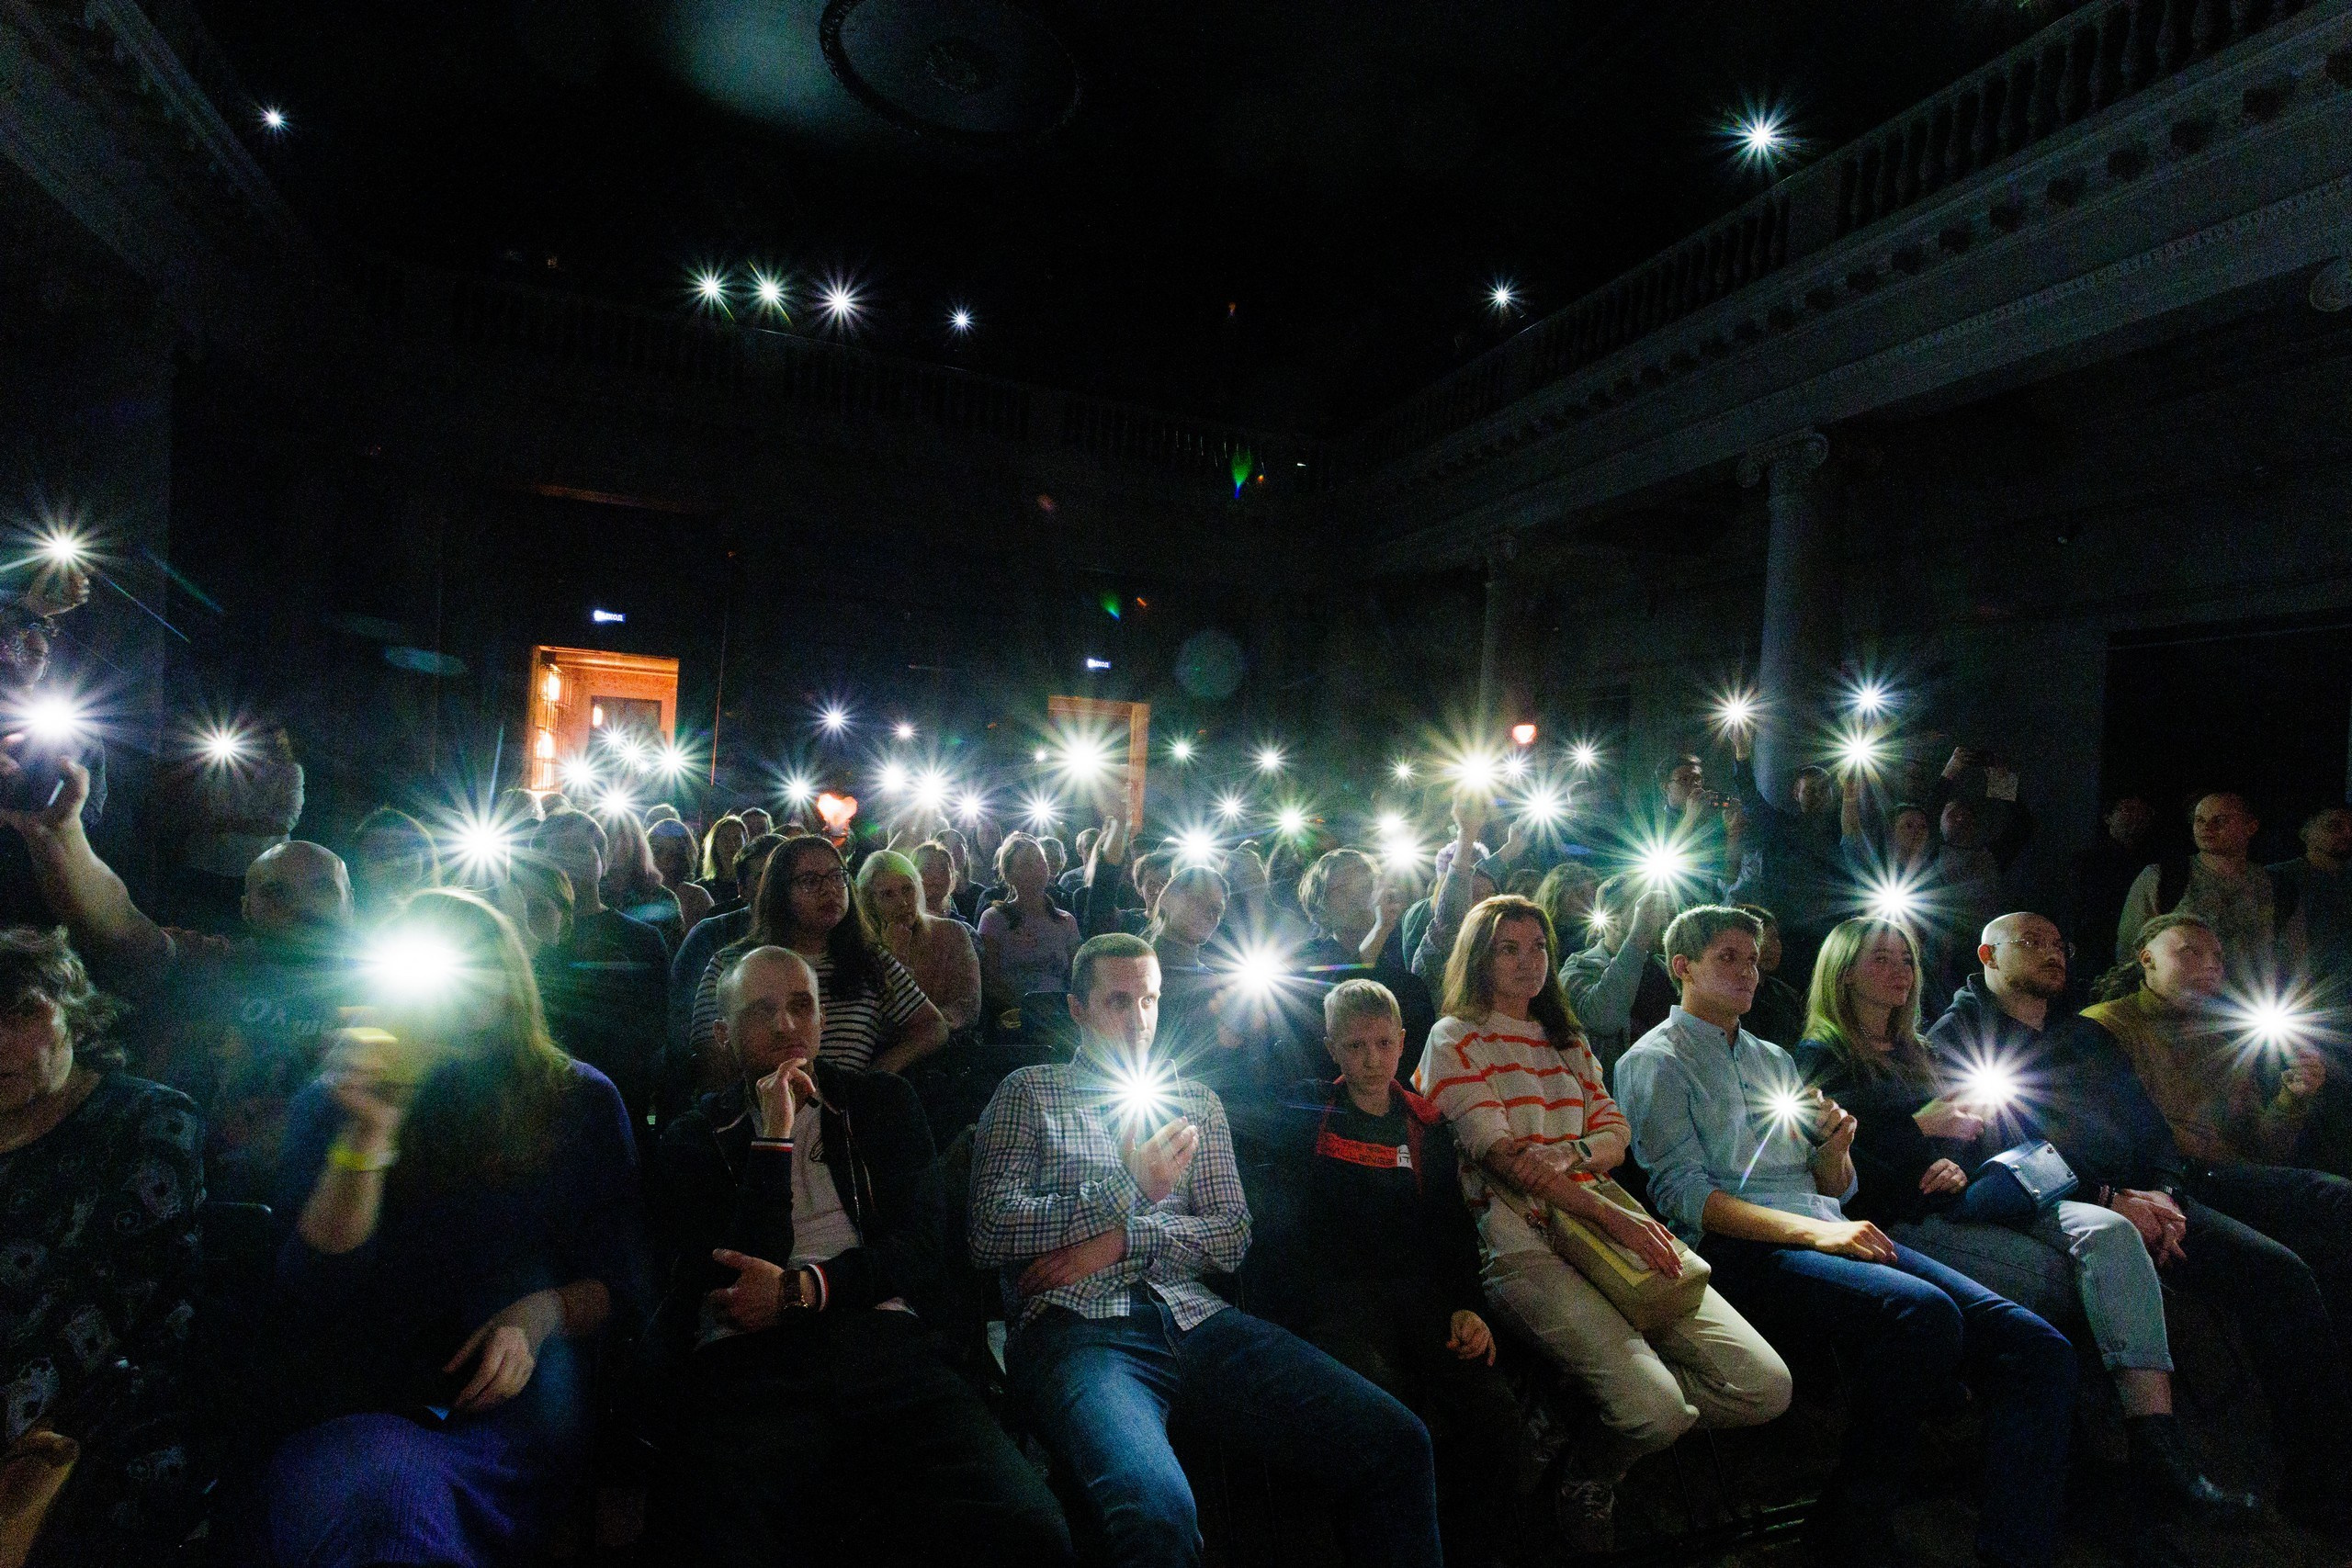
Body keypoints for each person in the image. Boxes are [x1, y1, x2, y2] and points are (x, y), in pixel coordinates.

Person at [1615, 905, 2075, 1568]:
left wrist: (1834, 1149)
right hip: (1744, 1248)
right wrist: (1818, 1231)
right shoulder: (1653, 1060)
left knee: (2036, 1345)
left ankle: (2015, 1546)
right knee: (1922, 1313)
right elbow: (1685, 1196)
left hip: (1821, 1224)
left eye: (1752, 957)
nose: (1747, 971)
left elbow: (1833, 1185)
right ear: (1682, 967)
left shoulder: (1770, 1056)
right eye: (1727, 958)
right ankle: (1854, 1518)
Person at [967, 932, 1444, 1568]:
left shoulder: (1193, 1100)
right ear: (1077, 1009)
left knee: (1397, 1440)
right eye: (1118, 1001)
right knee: (1156, 1512)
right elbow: (990, 1229)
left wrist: (1122, 1237)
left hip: (1196, 1319)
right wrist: (1128, 1187)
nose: (1139, 1019)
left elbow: (1231, 1233)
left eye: (1150, 1000)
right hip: (1079, 1329)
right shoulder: (1029, 1092)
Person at [1793, 917, 2252, 1528]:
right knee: (2078, 1287)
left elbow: (1971, 1137)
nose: (1900, 971)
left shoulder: (1920, 1050)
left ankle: (2155, 1445)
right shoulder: (1825, 1053)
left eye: (1907, 959)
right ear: (1843, 971)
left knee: (2111, 1239)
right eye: (1881, 959)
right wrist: (1922, 1136)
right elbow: (1836, 1162)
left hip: (1981, 1198)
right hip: (1896, 1220)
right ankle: (2073, 1471)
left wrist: (1950, 1161)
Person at [1928, 908, 2352, 1534]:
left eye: (2058, 941)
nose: (2052, 951)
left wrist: (2166, 1193)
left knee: (2279, 1272)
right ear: (1989, 956)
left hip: (2147, 1198)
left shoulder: (2084, 1038)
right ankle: (2139, 1473)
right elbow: (2009, 1147)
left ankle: (2318, 1479)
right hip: (2053, 1208)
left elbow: (2149, 1131)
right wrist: (2108, 1191)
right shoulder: (1958, 1038)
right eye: (2032, 942)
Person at [258, 889, 648, 1568]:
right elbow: (313, 1280)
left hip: (503, 1404)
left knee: (396, 1505)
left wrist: (538, 1314)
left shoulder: (576, 1097)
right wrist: (369, 1131)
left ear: (511, 978)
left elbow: (621, 1282)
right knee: (375, 1492)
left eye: (478, 967)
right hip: (354, 1395)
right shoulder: (342, 1094)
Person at [649, 947, 1072, 1564]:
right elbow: (731, 1282)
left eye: (801, 1006)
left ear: (821, 1019)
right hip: (750, 1359)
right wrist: (772, 1136)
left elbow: (920, 1251)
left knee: (1029, 1525)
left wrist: (804, 1288)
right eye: (762, 1011)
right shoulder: (693, 1137)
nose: (788, 1026)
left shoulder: (880, 1104)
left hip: (880, 1336)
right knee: (722, 1533)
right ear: (723, 1032)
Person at [1417, 895, 1789, 1552]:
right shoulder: (1455, 1037)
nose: (1530, 961)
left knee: (1765, 1385)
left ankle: (1585, 1423)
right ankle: (1595, 1468)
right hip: (1521, 1239)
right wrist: (1594, 1196)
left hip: (1608, 1227)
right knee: (1656, 1408)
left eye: (1539, 947)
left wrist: (1567, 1156)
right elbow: (1502, 1158)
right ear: (1478, 957)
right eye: (1510, 947)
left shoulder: (1564, 1036)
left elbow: (1613, 1131)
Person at [0, 758, 358, 1202]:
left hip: (330, 1206)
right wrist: (58, 833)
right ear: (246, 908)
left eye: (322, 888)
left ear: (351, 902)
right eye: (276, 891)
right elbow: (118, 924)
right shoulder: (206, 966)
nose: (300, 906)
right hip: (185, 1202)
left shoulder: (389, 990)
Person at [1273, 978, 1540, 1564]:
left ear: (1402, 1044)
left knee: (1493, 1415)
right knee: (1379, 1416)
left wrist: (1469, 1306)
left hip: (1420, 1296)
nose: (1370, 1061)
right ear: (1331, 1048)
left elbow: (1450, 1228)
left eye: (1381, 1045)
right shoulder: (1307, 1112)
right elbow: (1289, 1230)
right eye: (1354, 1047)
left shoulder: (1424, 1124)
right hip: (1338, 1301)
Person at [0, 927, 202, 1564]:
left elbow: (104, 1304)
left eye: (20, 1013)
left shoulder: (150, 1120)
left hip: (104, 1413)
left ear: (75, 1015)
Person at [2084, 912, 2352, 1309]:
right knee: (2330, 1206)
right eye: (2189, 952)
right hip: (2172, 1180)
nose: (2210, 965)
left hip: (2228, 1175)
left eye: (2218, 957)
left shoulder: (2220, 1034)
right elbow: (2118, 1136)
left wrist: (2291, 1098)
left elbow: (2261, 1144)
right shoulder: (2105, 1026)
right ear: (2147, 959)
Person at [687, 835, 947, 1079]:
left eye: (837, 877)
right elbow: (712, 1063)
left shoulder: (869, 960)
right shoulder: (732, 965)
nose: (830, 890)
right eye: (810, 881)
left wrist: (875, 1077)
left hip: (845, 1116)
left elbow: (932, 1026)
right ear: (779, 892)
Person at [526, 809, 668, 1133]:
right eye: (558, 852)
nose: (569, 862)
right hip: (538, 1098)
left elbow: (655, 1026)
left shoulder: (641, 939)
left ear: (602, 860)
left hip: (616, 1100)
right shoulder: (525, 935)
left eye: (578, 850)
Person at [0, 551, 104, 930]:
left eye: (42, 631)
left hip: (44, 880)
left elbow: (93, 805)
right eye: (19, 632)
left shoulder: (73, 722)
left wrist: (60, 819)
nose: (34, 639)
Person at [2117, 792, 2301, 980]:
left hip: (2249, 1004)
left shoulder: (2276, 887)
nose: (2207, 828)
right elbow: (2130, 948)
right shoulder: (2162, 877)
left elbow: (2294, 955)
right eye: (2200, 820)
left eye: (2220, 820)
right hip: (2178, 1001)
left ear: (2251, 827)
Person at [1727, 727, 1845, 982]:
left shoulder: (1843, 832)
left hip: (1829, 930)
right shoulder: (1781, 827)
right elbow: (1750, 799)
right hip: (1785, 930)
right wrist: (1743, 752)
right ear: (1796, 793)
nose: (1817, 796)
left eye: (1824, 790)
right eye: (1809, 790)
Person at [165, 723, 305, 936]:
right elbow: (196, 804)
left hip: (254, 866)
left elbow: (284, 820)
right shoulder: (220, 762)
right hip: (207, 861)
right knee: (198, 929)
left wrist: (226, 823)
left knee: (241, 933)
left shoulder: (288, 772)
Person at [1557, 871, 1676, 1076]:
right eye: (1642, 907)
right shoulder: (1579, 967)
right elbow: (1604, 1020)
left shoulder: (1664, 967)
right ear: (1612, 918)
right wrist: (1638, 935)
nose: (1654, 914)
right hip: (1614, 1093)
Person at [858, 849, 981, 1036]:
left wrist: (928, 1029)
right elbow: (873, 1021)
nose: (903, 903)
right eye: (888, 895)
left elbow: (967, 1006)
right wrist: (895, 959)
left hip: (949, 1048)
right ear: (871, 902)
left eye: (907, 889)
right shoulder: (863, 946)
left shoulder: (951, 933)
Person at [978, 834, 1083, 1028]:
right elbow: (989, 979)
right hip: (1013, 1019)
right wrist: (1030, 1009)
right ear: (1008, 875)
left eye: (1039, 860)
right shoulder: (994, 918)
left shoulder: (1066, 921)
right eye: (1026, 863)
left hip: (1059, 1018)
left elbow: (1076, 976)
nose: (1037, 867)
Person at [2073, 795, 2159, 982]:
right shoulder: (2087, 862)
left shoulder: (2155, 866)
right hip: (2095, 952)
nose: (2135, 817)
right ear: (2108, 817)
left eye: (2142, 811)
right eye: (2127, 809)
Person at [2272, 804, 2352, 990]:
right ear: (2305, 832)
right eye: (2334, 826)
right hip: (2299, 994)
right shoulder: (2276, 878)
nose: (2348, 834)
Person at [599, 808, 684, 953]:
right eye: (609, 836)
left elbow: (671, 955)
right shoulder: (590, 894)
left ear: (637, 842)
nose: (615, 844)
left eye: (623, 837)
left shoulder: (661, 898)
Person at [1736, 905, 1806, 1048]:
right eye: (1761, 941)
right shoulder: (1732, 996)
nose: (1772, 948)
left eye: (1775, 938)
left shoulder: (1786, 994)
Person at [348, 807, 439, 916]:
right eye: (380, 854)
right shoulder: (341, 923)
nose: (395, 862)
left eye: (405, 850)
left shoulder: (451, 910)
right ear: (359, 865)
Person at [644, 818, 715, 933]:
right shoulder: (636, 893)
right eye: (658, 851)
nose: (665, 859)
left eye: (673, 852)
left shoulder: (696, 897)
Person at [698, 815, 749, 911]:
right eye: (725, 839)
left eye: (737, 838)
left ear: (745, 842)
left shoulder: (751, 884)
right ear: (714, 844)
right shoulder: (702, 888)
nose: (731, 844)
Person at [912, 840, 966, 928]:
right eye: (927, 868)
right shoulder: (903, 926)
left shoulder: (965, 930)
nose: (936, 875)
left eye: (942, 869)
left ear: (951, 877)